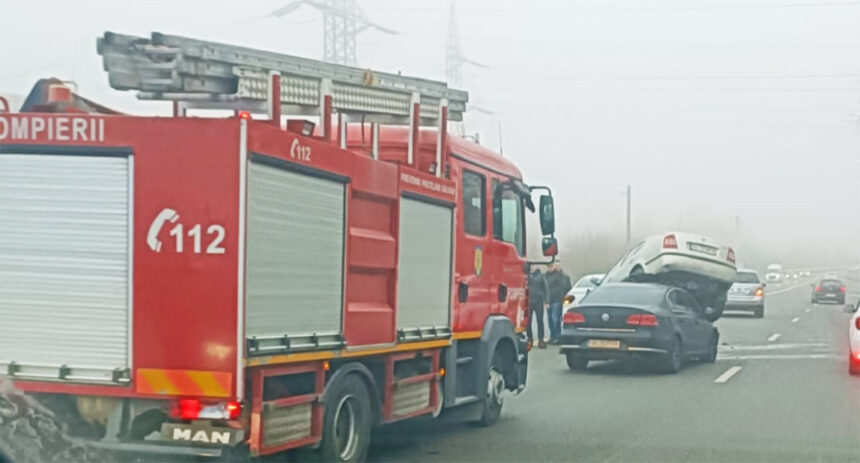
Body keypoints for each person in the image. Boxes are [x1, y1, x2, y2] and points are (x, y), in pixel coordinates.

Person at [545, 261, 572, 345]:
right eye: (554, 265)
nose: (556, 267)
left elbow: (566, 288)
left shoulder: (562, 276)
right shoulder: (547, 276)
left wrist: (565, 301)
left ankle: (558, 337)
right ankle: (552, 336)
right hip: (549, 300)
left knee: (555, 319)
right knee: (550, 319)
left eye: (557, 265)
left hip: (557, 300)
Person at [527, 268, 549, 349]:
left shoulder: (540, 276)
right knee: (528, 321)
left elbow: (546, 289)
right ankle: (530, 339)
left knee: (540, 320)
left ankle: (541, 339)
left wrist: (547, 301)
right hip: (528, 301)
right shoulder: (526, 275)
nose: (532, 268)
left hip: (539, 301)